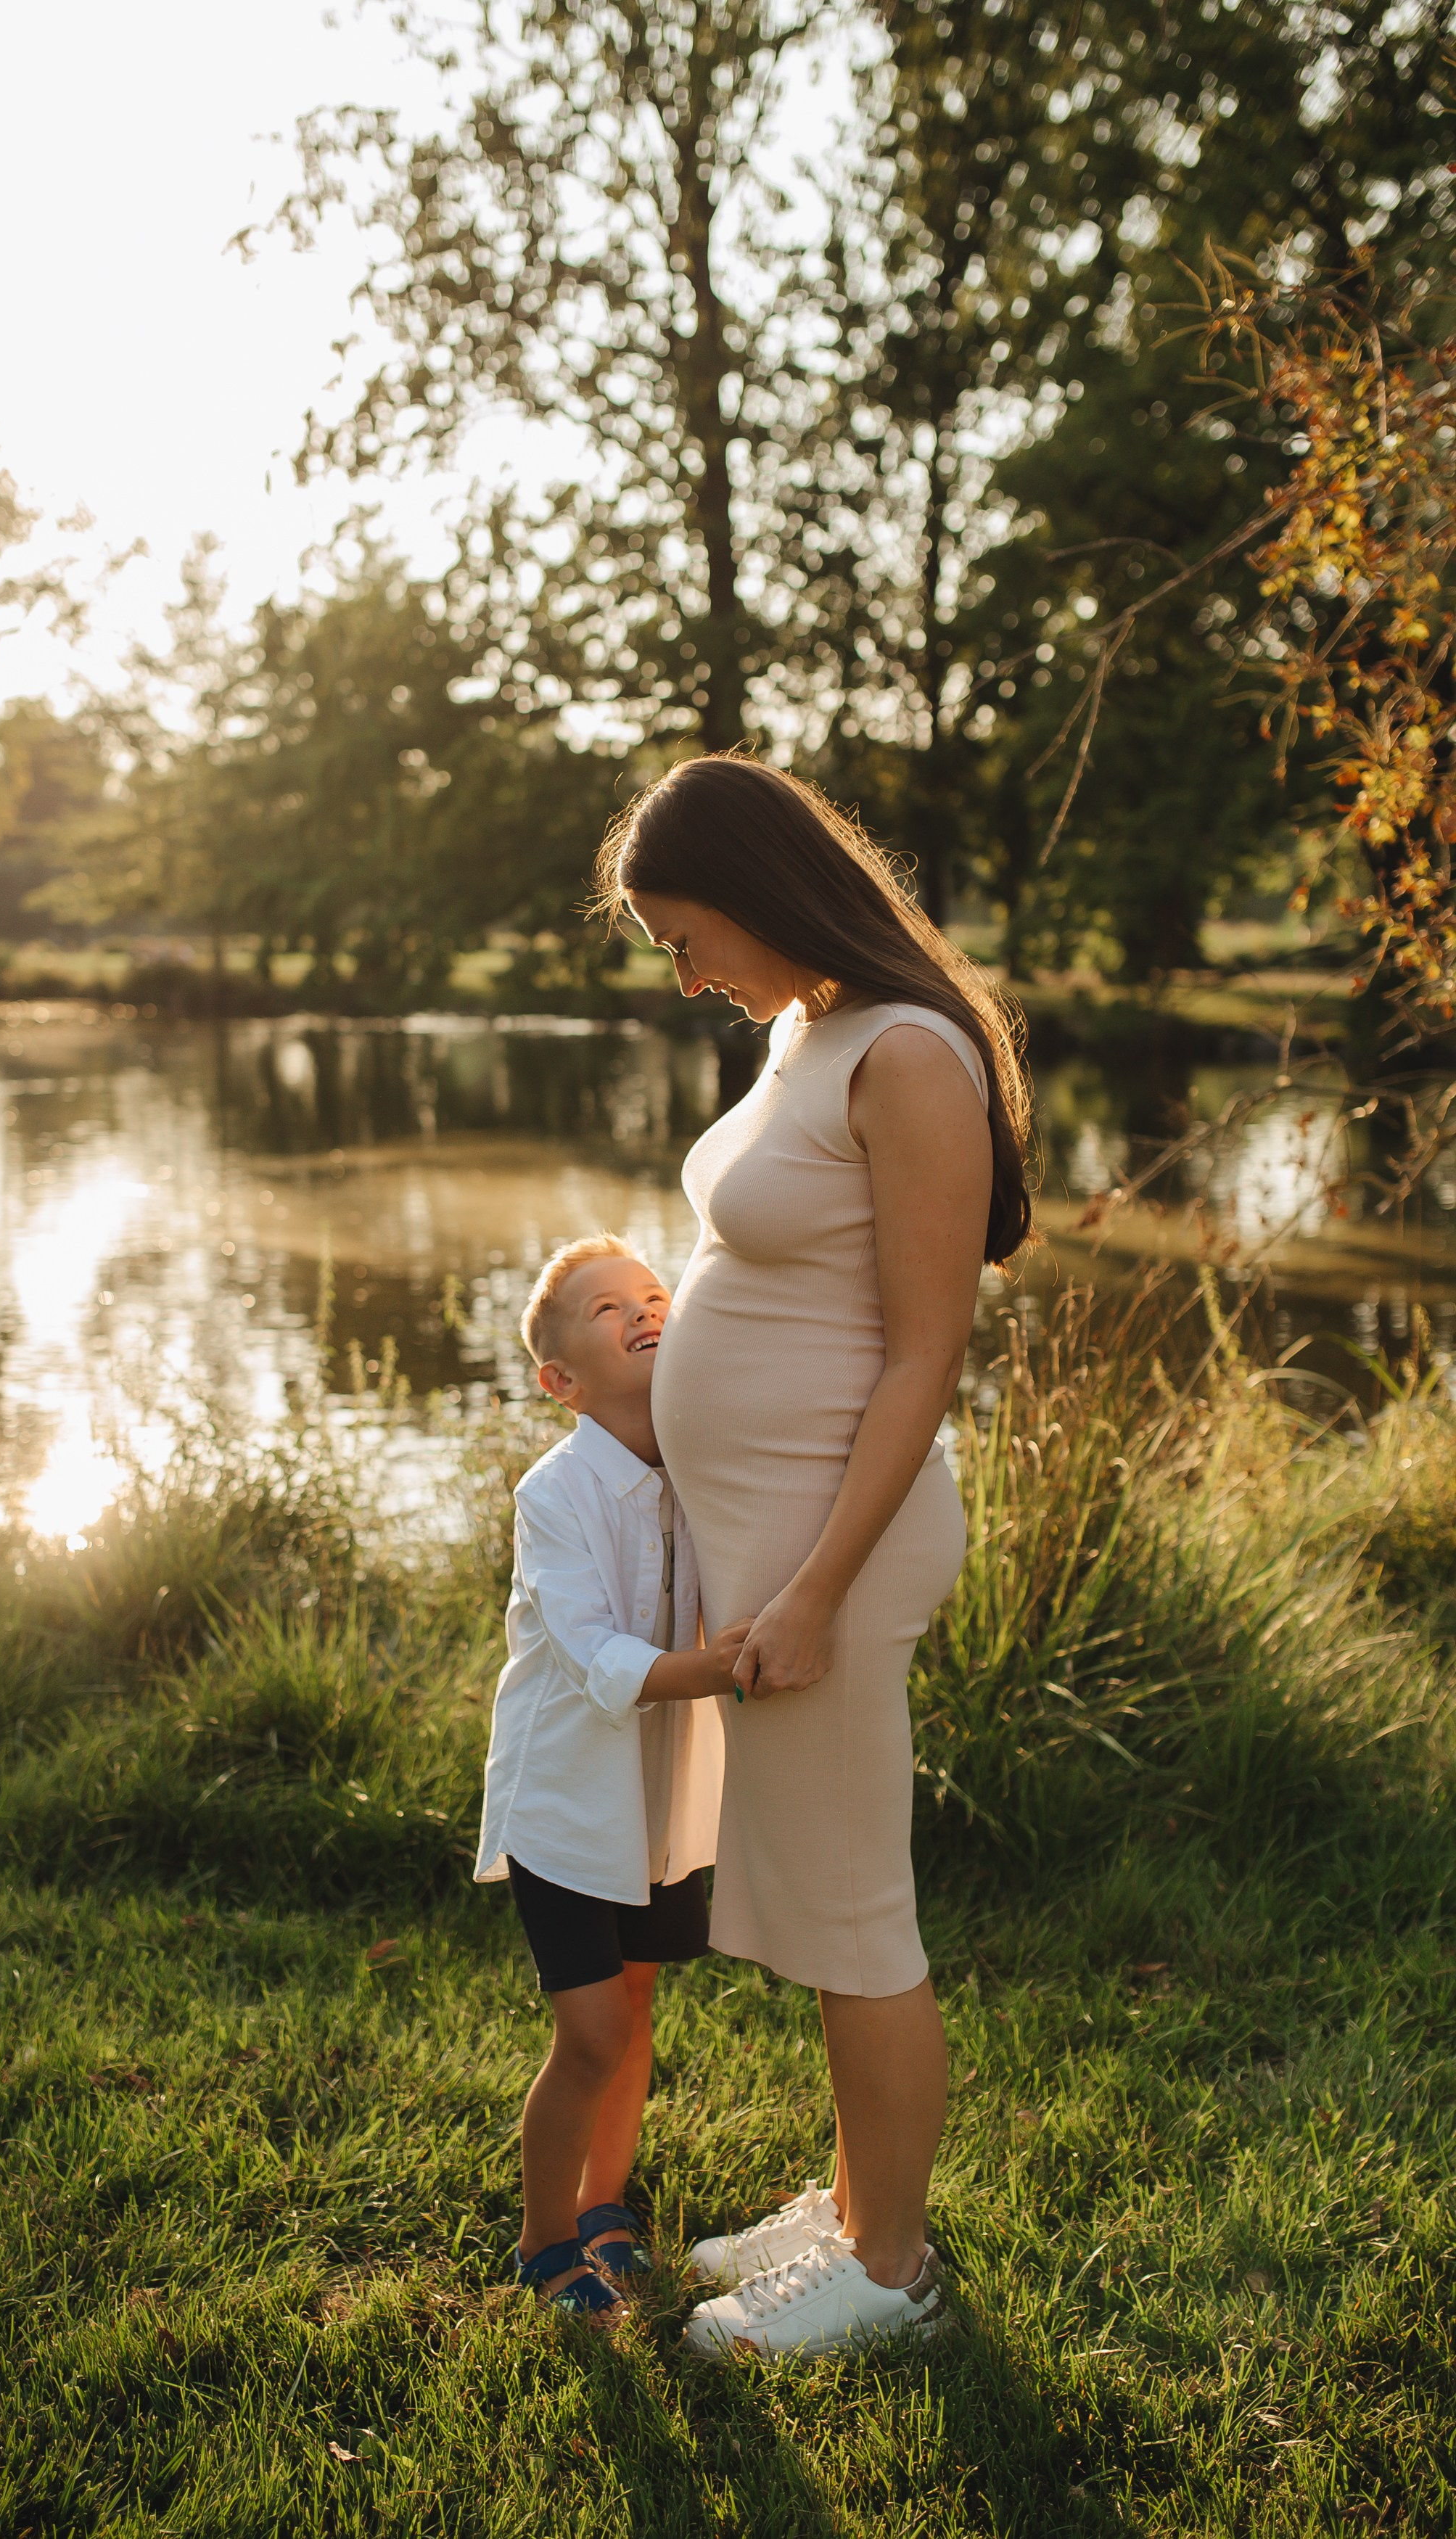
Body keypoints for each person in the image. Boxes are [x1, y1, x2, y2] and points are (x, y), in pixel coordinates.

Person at [593, 754, 1032, 2361]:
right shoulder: (805, 1028)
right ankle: (852, 2206)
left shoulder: (910, 1056)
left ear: (768, 893)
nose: (690, 976)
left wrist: (809, 1591)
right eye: (665, 951)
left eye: (691, 937)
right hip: (766, 1534)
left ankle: (892, 2268)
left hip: (833, 1551)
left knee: (855, 1911)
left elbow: (924, 1357)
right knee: (810, 1888)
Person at [474, 1233, 750, 2319]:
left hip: (661, 1807)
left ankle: (603, 2205)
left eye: (652, 1293)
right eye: (607, 1310)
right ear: (561, 1383)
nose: (643, 1308)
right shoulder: (556, 1493)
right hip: (570, 1805)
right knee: (587, 2034)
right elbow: (593, 1655)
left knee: (633, 2012)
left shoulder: (702, 1464)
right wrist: (714, 1670)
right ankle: (546, 2243)